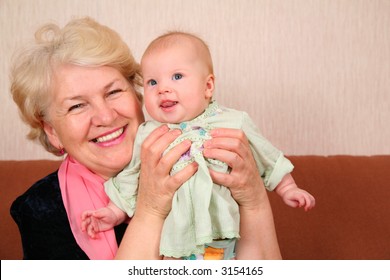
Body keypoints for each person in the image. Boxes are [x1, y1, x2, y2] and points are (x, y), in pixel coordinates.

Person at [9, 17, 282, 260]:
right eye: (77, 106)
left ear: (137, 94)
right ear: (52, 132)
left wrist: (254, 199)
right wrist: (150, 209)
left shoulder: (213, 161)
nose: (105, 116)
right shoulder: (40, 208)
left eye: (114, 92)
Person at [81, 31, 315, 260]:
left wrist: (288, 188)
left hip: (223, 237)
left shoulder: (233, 122)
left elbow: (268, 158)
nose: (163, 88)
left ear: (208, 86)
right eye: (152, 82)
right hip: (173, 241)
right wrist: (113, 212)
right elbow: (131, 176)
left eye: (177, 76)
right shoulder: (149, 135)